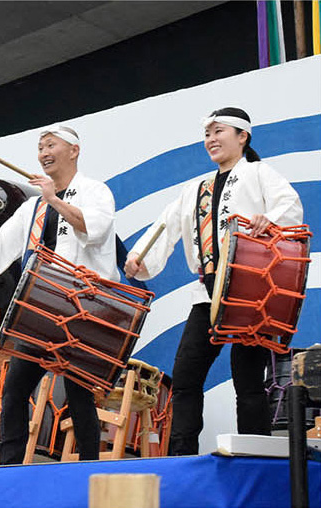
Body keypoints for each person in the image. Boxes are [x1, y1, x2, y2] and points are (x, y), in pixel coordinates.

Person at [124, 107, 303, 455]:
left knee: (248, 379)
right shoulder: (196, 189)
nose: (211, 140)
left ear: (242, 136)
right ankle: (182, 453)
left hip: (251, 291)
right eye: (207, 134)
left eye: (219, 132)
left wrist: (270, 220)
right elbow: (166, 226)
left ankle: (256, 453)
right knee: (186, 376)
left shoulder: (259, 173)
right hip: (207, 294)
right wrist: (140, 257)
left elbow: (290, 206)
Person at [0, 125, 118, 463]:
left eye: (50, 145)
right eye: (40, 147)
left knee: (78, 393)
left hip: (81, 308)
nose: (43, 152)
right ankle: (11, 467)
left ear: (74, 151)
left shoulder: (94, 191)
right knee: (14, 391)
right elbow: (3, 244)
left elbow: (95, 229)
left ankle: (87, 466)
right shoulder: (33, 209)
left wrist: (53, 198)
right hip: (41, 308)